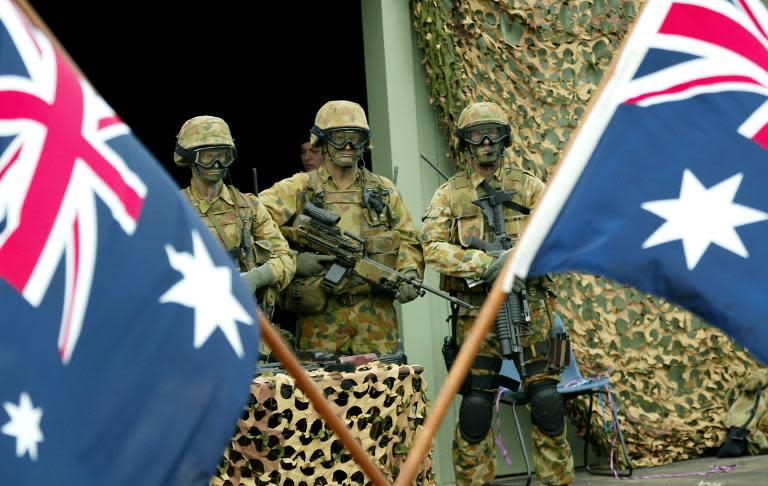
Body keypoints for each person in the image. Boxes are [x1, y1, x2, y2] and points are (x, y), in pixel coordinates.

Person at [420, 101, 574, 486]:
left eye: (493, 134)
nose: (486, 142)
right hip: (475, 315)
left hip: (531, 310)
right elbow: (431, 247)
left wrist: (520, 264)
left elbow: (560, 238)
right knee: (475, 408)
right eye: (476, 135)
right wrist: (483, 265)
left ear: (504, 139)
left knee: (547, 403)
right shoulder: (450, 195)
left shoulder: (529, 186)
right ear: (465, 143)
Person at [259, 100, 424, 356]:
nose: (348, 145)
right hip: (320, 322)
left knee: (381, 392)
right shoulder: (300, 187)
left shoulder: (384, 190)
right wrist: (292, 259)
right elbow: (253, 222)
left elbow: (408, 239)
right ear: (322, 141)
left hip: (376, 321)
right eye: (339, 138)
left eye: (356, 138)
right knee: (319, 393)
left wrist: (410, 273)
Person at [174, 115, 296, 318]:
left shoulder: (249, 207)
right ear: (189, 158)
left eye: (223, 155)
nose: (216, 163)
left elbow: (286, 258)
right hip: (192, 327)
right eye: (207, 156)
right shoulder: (173, 209)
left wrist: (256, 277)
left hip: (250, 326)